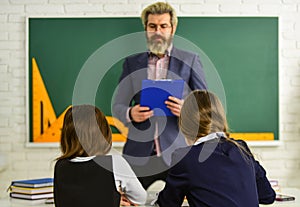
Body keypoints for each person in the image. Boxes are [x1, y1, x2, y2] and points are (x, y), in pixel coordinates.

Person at [113, 2, 207, 189]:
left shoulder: (190, 59)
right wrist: (131, 114)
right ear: (146, 29)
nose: (158, 31)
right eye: (152, 26)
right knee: (129, 201)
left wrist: (186, 110)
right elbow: (117, 105)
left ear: (172, 28)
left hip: (178, 151)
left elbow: (205, 107)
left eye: (163, 26)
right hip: (138, 153)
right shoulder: (132, 63)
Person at [155, 90, 276, 207]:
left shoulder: (184, 157)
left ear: (185, 124)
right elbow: (267, 196)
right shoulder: (240, 148)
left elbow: (168, 203)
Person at [53, 105, 147, 206]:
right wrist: (115, 197)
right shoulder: (114, 162)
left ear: (66, 135)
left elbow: (80, 198)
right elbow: (140, 198)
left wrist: (114, 198)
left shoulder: (60, 166)